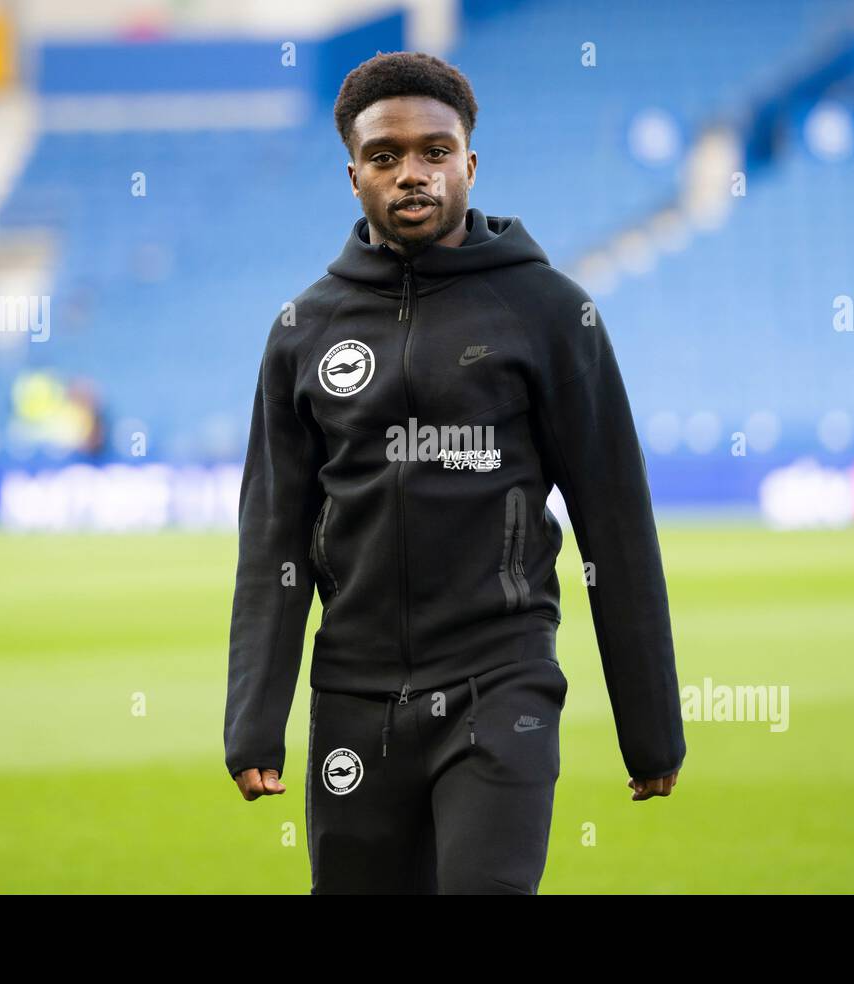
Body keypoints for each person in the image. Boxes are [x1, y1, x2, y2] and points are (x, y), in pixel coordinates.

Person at [223, 51, 685, 894]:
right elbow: (272, 540)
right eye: (387, 156)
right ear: (353, 174)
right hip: (354, 698)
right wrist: (255, 722)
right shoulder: (302, 329)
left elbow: (614, 521)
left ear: (469, 163)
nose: (414, 173)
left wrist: (650, 726)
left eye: (436, 152)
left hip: (500, 683)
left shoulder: (550, 310)